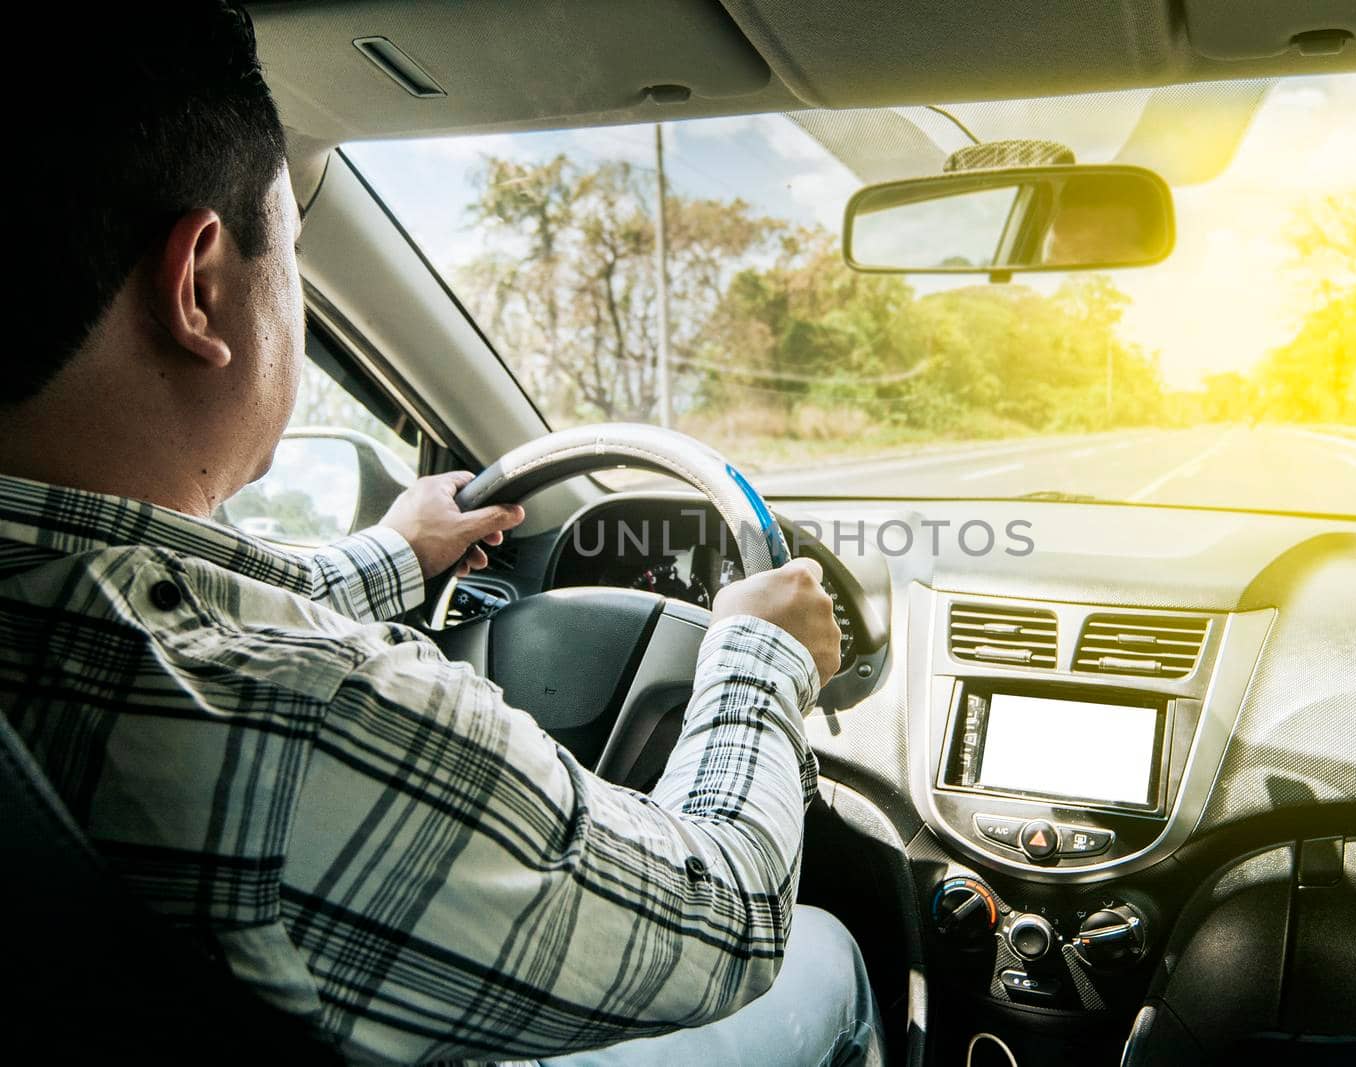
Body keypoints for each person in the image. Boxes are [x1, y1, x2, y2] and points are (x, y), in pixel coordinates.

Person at [1, 4, 883, 1064]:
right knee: (823, 950)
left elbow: (171, 594)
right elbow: (722, 920)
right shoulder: (306, 706)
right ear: (199, 285)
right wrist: (763, 654)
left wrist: (398, 550)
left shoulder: (66, 594)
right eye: (296, 245)